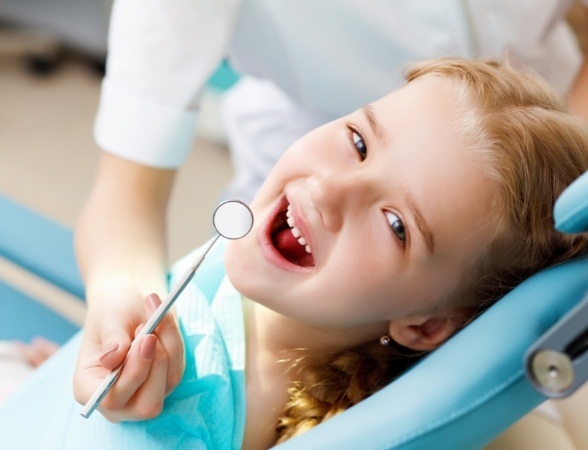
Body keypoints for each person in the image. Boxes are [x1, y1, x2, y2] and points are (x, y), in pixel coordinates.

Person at [1, 58, 587, 449]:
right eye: (358, 142)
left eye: (395, 224)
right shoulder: (262, 283)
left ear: (427, 323)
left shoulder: (197, 412)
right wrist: (62, 368)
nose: (330, 190)